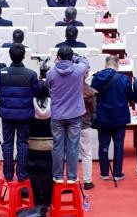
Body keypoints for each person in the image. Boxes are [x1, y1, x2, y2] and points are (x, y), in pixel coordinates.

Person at [45, 46, 89, 183]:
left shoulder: (51, 72)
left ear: (58, 57)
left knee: (57, 146)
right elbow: (85, 61)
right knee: (73, 146)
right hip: (75, 114)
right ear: (71, 57)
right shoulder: (78, 69)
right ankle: (71, 176)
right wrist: (75, 57)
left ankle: (58, 176)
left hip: (57, 114)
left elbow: (47, 87)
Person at [91, 55, 130, 181]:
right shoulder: (124, 78)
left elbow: (92, 95)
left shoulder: (97, 78)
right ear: (117, 64)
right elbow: (130, 96)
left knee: (103, 144)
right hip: (120, 117)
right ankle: (117, 173)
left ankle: (104, 173)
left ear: (106, 64)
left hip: (103, 116)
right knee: (119, 145)